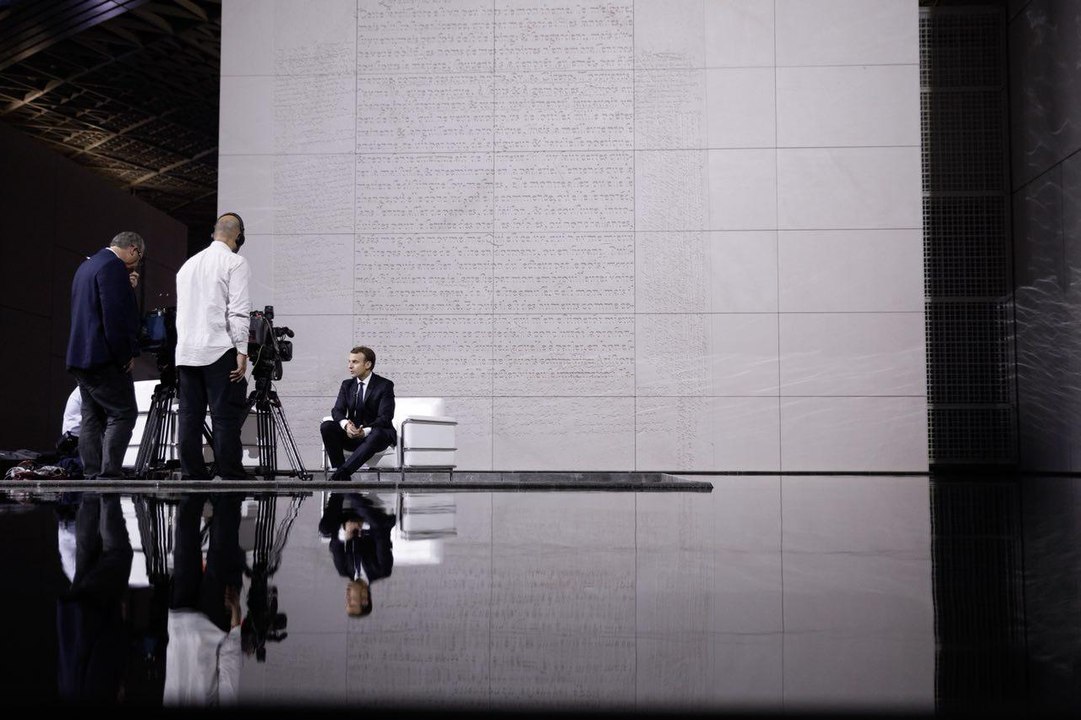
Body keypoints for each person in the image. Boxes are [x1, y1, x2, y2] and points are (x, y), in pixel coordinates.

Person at [174, 212, 251, 480]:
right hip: (218, 349)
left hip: (186, 352)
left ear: (213, 233)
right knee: (224, 416)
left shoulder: (187, 265)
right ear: (238, 235)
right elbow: (238, 311)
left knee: (189, 416)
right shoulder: (235, 262)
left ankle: (192, 473)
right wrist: (243, 351)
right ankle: (230, 472)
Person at [65, 231, 145, 480]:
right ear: (133, 249)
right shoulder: (113, 268)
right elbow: (114, 318)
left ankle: (91, 472)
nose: (137, 264)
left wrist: (126, 288)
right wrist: (125, 355)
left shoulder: (86, 266)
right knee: (123, 412)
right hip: (104, 357)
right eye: (139, 257)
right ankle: (109, 473)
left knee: (92, 415)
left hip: (80, 356)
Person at [164, 494, 245, 705]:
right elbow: (229, 672)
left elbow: (230, 671)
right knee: (186, 540)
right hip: (183, 625)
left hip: (206, 628)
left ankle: (222, 489)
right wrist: (236, 622)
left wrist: (236, 621)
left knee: (220, 548)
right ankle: (199, 483)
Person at [320, 346, 397, 482]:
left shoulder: (384, 385)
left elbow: (385, 417)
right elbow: (337, 410)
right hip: (353, 434)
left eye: (355, 362)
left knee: (377, 433)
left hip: (375, 436)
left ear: (368, 364)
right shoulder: (347, 385)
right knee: (327, 426)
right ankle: (340, 472)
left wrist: (365, 431)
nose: (350, 366)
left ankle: (342, 474)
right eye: (349, 361)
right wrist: (346, 426)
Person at [318, 492, 395, 617]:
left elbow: (335, 546)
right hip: (374, 520)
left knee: (325, 529)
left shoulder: (343, 570)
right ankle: (346, 489)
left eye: (346, 603)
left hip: (348, 518)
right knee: (376, 522)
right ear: (364, 598)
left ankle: (339, 488)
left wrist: (345, 530)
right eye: (352, 603)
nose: (346, 598)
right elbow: (381, 537)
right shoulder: (382, 570)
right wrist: (361, 525)